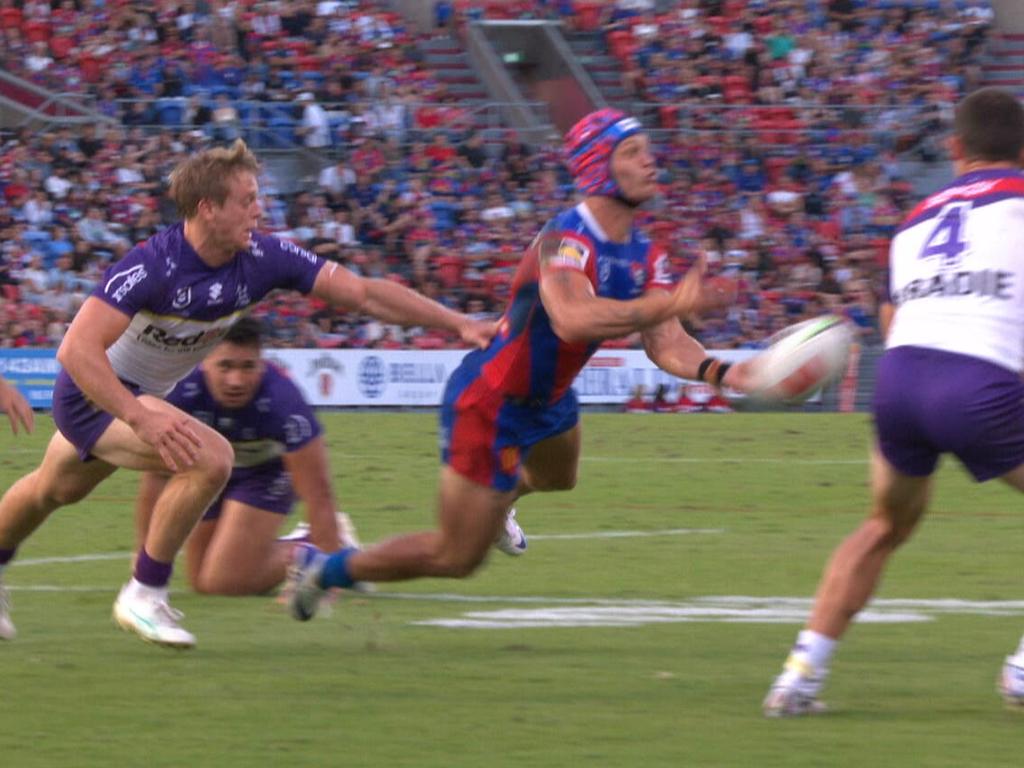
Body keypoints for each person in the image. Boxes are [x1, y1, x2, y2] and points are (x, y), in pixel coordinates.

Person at [0, 139, 494, 648]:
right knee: (210, 459)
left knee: (53, 490)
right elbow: (76, 352)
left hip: (141, 399)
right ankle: (144, 593)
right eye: (247, 199)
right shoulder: (152, 266)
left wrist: (459, 323)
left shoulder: (264, 257)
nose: (259, 210)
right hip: (96, 395)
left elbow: (364, 292)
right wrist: (140, 417)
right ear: (207, 208)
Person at [285, 108, 757, 620]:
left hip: (550, 397)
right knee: (455, 557)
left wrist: (722, 373)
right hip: (491, 402)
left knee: (559, 477)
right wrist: (669, 303)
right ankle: (327, 568)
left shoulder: (645, 253)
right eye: (633, 152)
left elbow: (666, 341)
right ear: (599, 165)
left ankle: (504, 498)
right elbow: (573, 318)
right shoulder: (564, 238)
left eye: (647, 149)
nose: (651, 161)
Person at [763, 87, 1024, 717]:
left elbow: (892, 317)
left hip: (901, 383)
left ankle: (799, 675)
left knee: (883, 526)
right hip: (981, 382)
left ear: (955, 149)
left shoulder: (915, 219)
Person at [132, 317, 360, 596]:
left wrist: (327, 579)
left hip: (265, 474)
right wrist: (142, 556)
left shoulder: (283, 401)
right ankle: (301, 543)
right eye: (225, 366)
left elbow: (317, 491)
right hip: (208, 472)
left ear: (261, 362)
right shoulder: (179, 390)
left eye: (248, 366)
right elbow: (156, 476)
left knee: (223, 582)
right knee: (200, 580)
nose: (236, 381)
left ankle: (328, 547)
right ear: (204, 360)